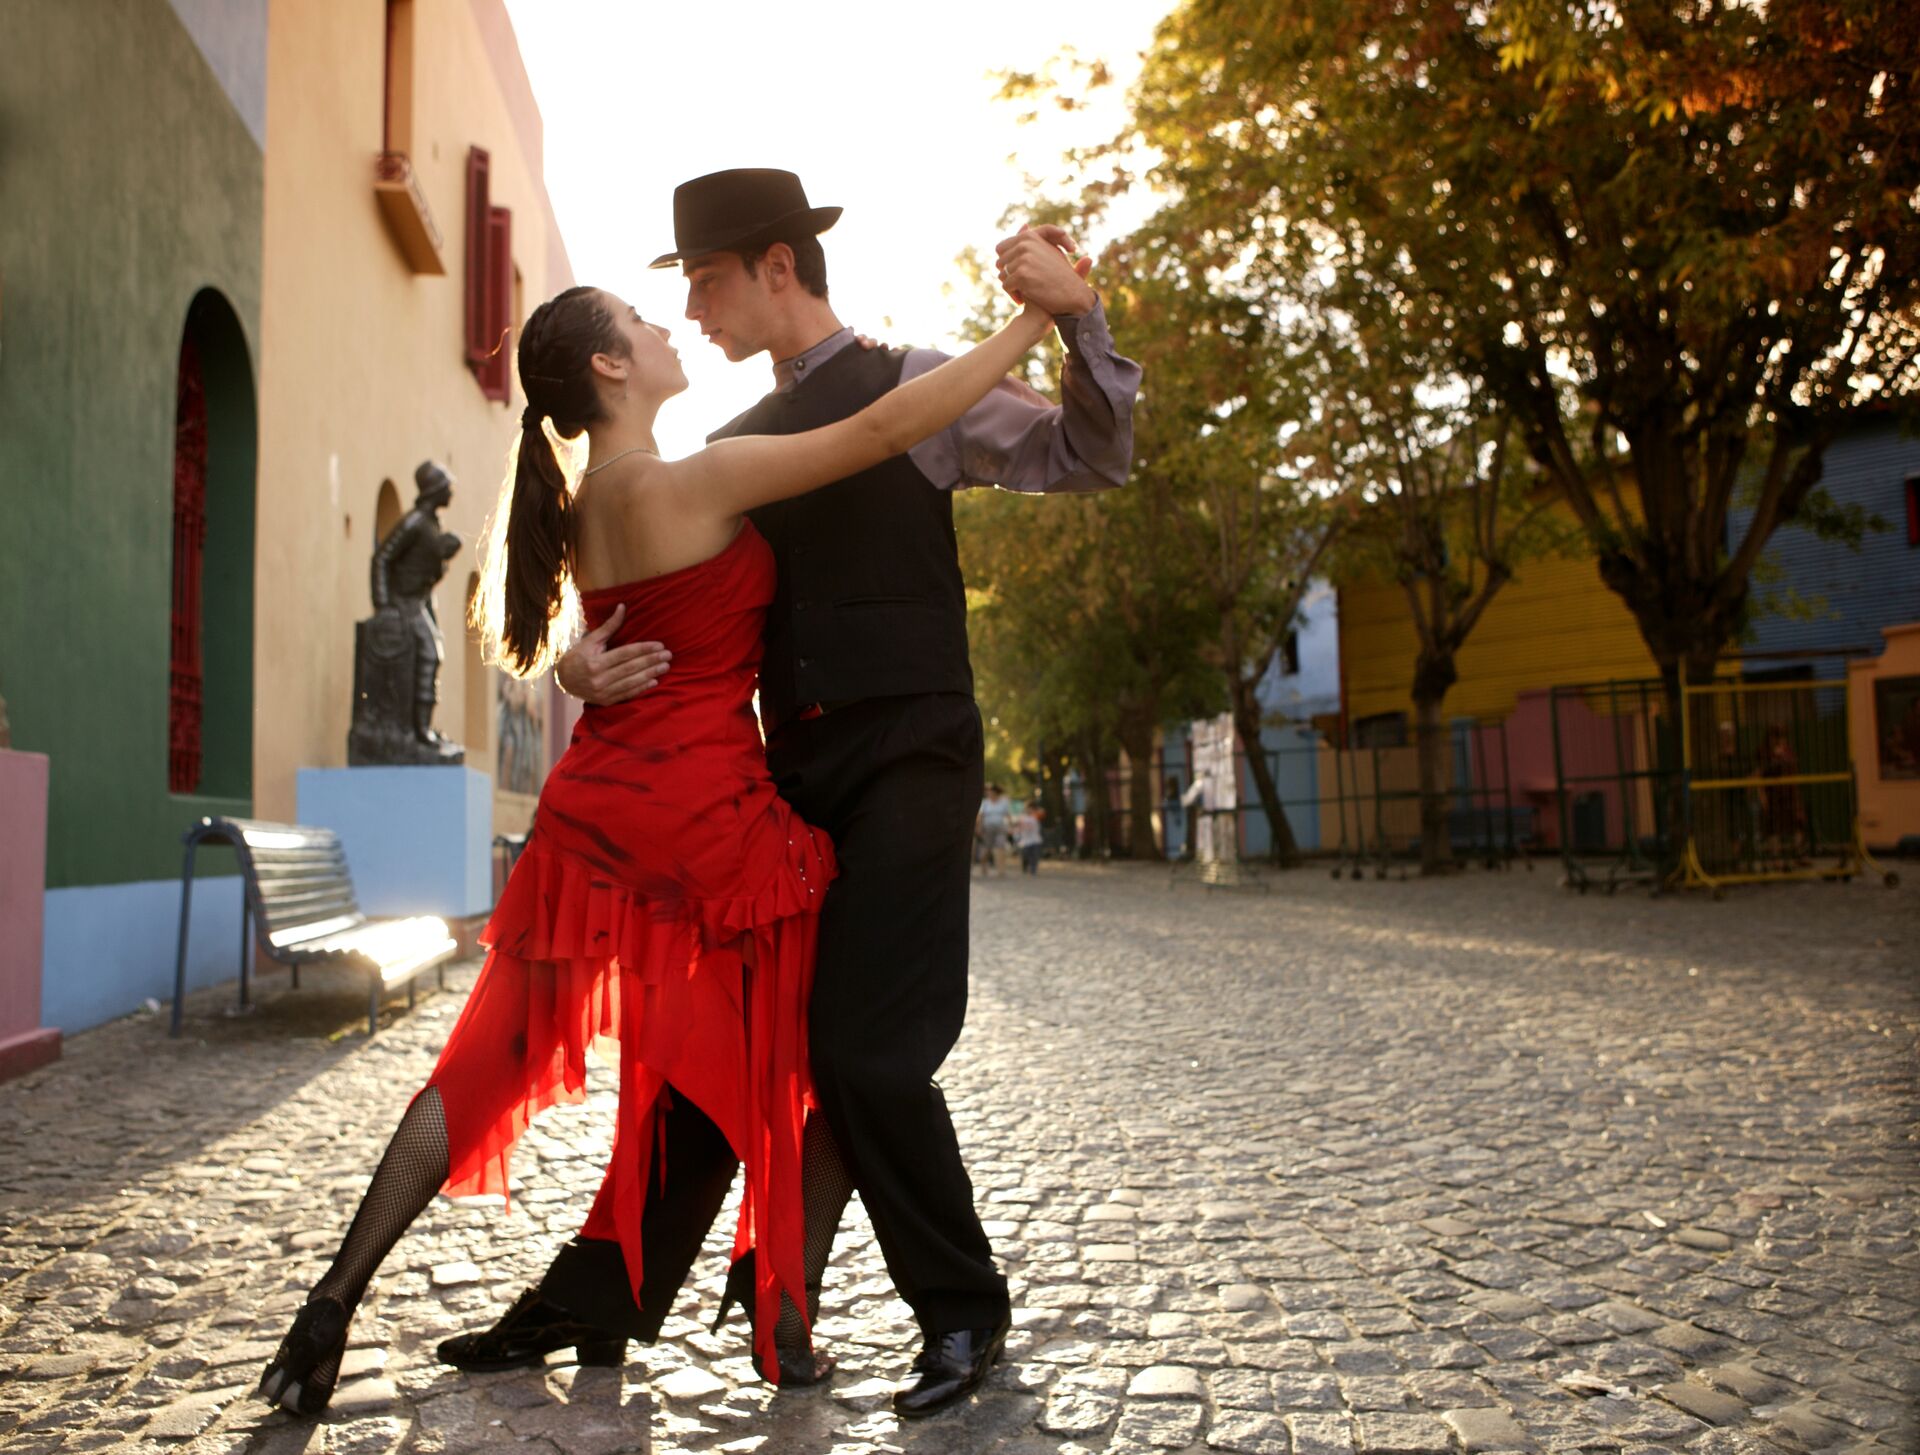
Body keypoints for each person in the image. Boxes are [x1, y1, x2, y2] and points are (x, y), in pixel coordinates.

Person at [255, 277, 1063, 1417]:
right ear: (609, 368)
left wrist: (573, 666)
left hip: (590, 819)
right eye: (641, 322)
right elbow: (887, 426)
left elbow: (609, 627)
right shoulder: (697, 480)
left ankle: (331, 1302)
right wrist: (1033, 320)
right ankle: (786, 1307)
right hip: (712, 829)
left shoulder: (581, 507)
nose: (668, 324)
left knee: (478, 1069)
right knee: (837, 1045)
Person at [484, 168, 1138, 1420]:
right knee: (735, 1041)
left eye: (707, 280)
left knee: (865, 1049)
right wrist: (575, 664)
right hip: (783, 775)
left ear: (776, 266)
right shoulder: (727, 446)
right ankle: (610, 1293)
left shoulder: (919, 381)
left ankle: (961, 1311)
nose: (697, 310)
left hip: (912, 751)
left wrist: (1077, 318)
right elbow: (657, 609)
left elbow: (1090, 454)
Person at [976, 783, 1012, 876]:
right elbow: (981, 816)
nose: (989, 793)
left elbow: (1008, 815)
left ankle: (1001, 870)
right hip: (988, 828)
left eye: (991, 792)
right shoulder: (985, 802)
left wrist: (1010, 826)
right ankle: (983, 866)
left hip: (1000, 827)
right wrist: (979, 827)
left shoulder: (1003, 802)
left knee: (1000, 847)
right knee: (987, 848)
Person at [1012, 799, 1045, 875]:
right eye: (1028, 808)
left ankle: (1033, 869)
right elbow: (1017, 825)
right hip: (1025, 841)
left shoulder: (1036, 816)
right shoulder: (1022, 817)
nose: (1029, 810)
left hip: (1035, 840)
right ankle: (1025, 867)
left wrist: (1036, 809)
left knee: (1034, 856)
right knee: (1025, 854)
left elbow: (1043, 812)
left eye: (1031, 808)